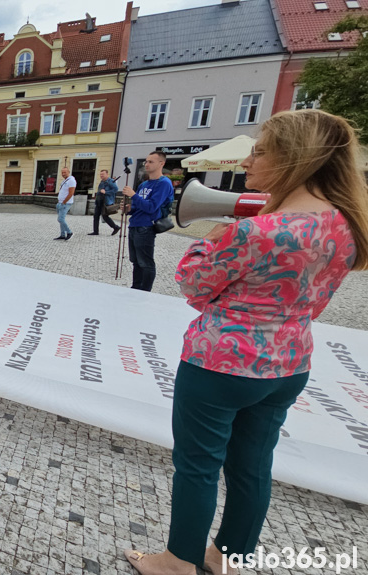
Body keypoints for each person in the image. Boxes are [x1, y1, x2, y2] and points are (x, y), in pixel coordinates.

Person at [124, 109, 368, 575]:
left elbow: (194, 285)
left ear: (293, 158)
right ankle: (226, 558)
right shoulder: (346, 226)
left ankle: (178, 562)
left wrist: (213, 238)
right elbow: (314, 300)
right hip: (291, 363)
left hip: (220, 366)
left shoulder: (253, 231)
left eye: (260, 151)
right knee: (253, 466)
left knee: (197, 466)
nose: (248, 162)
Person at [121, 152, 173, 291]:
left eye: (151, 161)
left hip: (147, 226)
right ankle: (136, 288)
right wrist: (129, 209)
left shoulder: (163, 183)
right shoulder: (144, 184)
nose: (147, 164)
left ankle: (145, 291)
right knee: (136, 261)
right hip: (135, 225)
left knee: (145, 262)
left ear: (161, 164)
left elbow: (151, 207)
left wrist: (133, 195)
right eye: (146, 161)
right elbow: (139, 206)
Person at [89, 169, 120, 236]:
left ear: (107, 174)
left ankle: (116, 227)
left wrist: (106, 192)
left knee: (105, 217)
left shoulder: (111, 181)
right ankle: (95, 231)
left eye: (103, 174)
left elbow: (115, 189)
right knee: (96, 216)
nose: (101, 175)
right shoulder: (102, 182)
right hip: (99, 201)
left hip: (105, 202)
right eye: (100, 174)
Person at [54, 166, 75, 241]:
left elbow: (71, 193)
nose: (63, 174)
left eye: (65, 172)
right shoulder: (64, 181)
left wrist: (64, 202)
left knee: (60, 219)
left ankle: (69, 232)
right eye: (62, 172)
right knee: (61, 219)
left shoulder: (71, 180)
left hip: (65, 203)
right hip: (60, 202)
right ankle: (62, 234)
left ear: (68, 172)